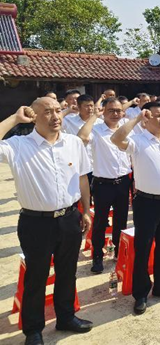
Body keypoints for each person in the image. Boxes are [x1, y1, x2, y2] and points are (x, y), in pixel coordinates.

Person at [0, 98, 94, 344]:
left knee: (68, 272)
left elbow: (82, 178)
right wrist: (14, 118)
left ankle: (66, 317)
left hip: (70, 218)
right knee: (36, 277)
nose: (55, 116)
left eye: (58, 111)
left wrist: (86, 210)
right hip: (36, 223)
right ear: (34, 117)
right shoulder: (18, 145)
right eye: (47, 112)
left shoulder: (73, 142)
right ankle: (33, 330)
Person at [111, 101, 160, 315]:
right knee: (143, 248)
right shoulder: (138, 141)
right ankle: (141, 293)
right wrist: (136, 119)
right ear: (146, 119)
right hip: (146, 202)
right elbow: (116, 139)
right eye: (157, 115)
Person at [78, 97, 131, 274]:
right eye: (111, 111)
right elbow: (81, 137)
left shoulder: (126, 129)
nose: (115, 114)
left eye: (118, 110)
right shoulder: (97, 130)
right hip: (103, 184)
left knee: (121, 220)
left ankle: (118, 251)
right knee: (100, 222)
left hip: (123, 181)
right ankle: (97, 256)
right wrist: (94, 116)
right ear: (104, 112)